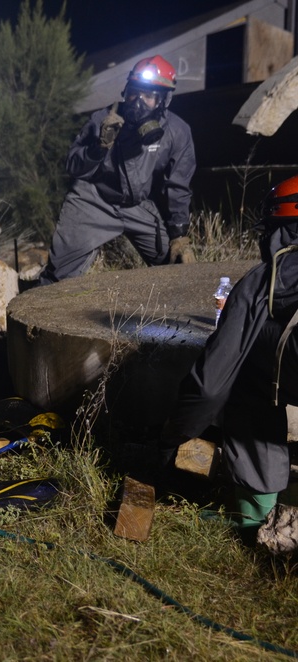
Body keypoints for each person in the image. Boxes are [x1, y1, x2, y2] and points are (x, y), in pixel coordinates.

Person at [157, 175, 298, 541]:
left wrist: (174, 433)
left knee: (245, 374)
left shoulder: (263, 282)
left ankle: (258, 517)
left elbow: (210, 386)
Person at [39, 55, 196, 285]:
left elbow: (178, 186)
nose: (138, 102)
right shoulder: (103, 119)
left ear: (163, 100)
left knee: (176, 266)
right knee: (59, 276)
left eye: (149, 96)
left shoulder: (176, 131)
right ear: (126, 91)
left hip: (137, 205)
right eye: (134, 92)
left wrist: (179, 234)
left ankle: (177, 316)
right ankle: (34, 314)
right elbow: (72, 165)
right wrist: (98, 148)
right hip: (93, 200)